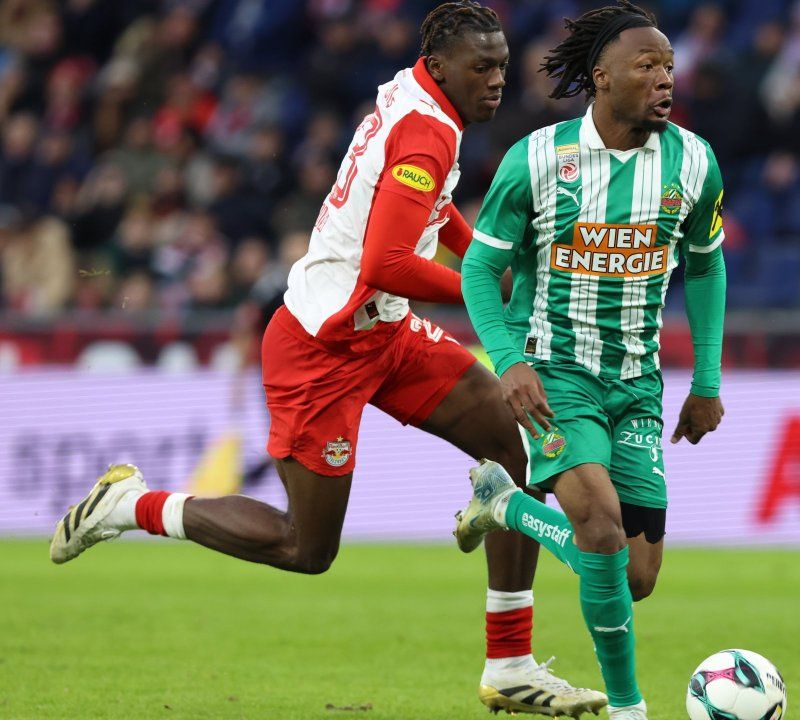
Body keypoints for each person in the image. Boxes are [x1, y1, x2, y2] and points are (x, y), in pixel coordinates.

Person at [48, 4, 606, 717]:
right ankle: (130, 505)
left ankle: (510, 663)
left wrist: (491, 259)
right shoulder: (425, 129)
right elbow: (389, 260)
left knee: (516, 441)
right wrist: (488, 288)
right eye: (483, 68)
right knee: (304, 547)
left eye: (501, 65)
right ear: (441, 67)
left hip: (387, 335)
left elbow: (431, 219)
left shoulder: (422, 101)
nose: (498, 80)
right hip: (322, 349)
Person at [455, 3, 727, 718]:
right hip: (553, 375)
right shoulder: (539, 160)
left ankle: (505, 504)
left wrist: (705, 382)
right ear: (601, 78)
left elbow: (705, 266)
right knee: (598, 525)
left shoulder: (694, 162)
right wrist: (508, 360)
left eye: (668, 66)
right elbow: (479, 272)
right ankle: (632, 708)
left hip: (636, 383)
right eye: (647, 66)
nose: (664, 78)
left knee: (634, 576)